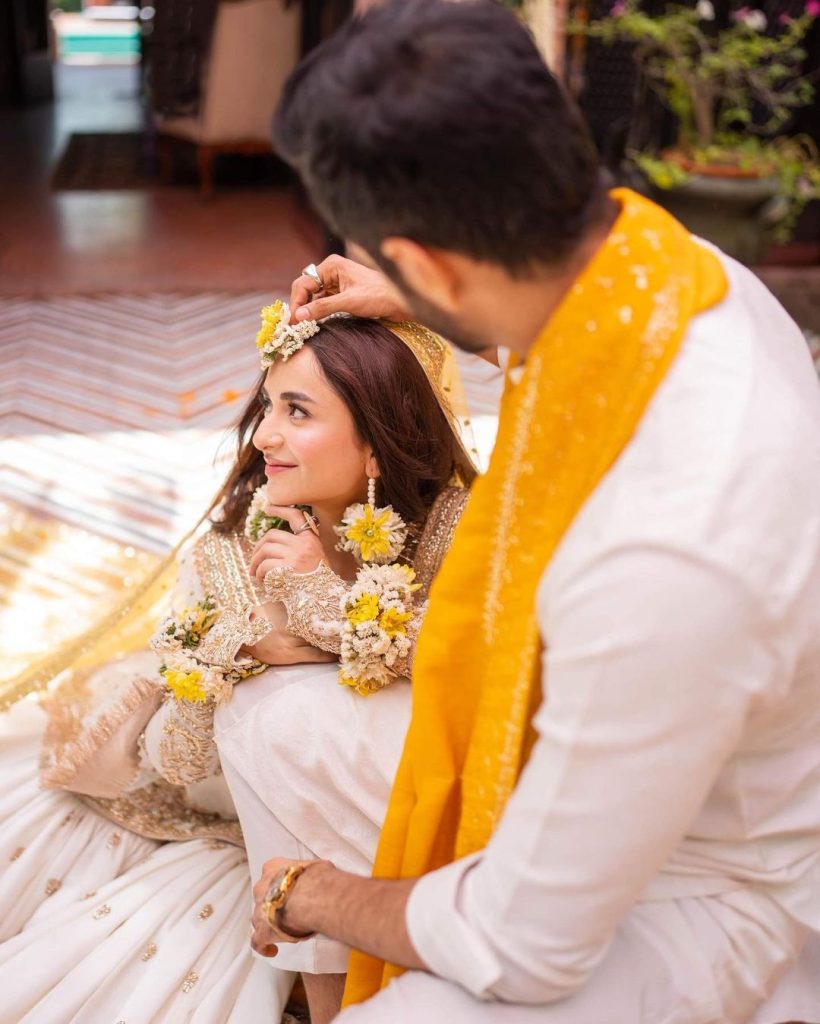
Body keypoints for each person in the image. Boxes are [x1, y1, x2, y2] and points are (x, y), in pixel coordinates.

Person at [248, 3, 820, 1023]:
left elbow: (525, 947)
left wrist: (314, 894)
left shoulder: (666, 546)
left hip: (719, 890)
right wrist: (420, 298)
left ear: (432, 256)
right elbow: (568, 347)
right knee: (271, 719)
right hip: (634, 753)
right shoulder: (678, 276)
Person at [0, 313, 476, 1024]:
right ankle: (328, 1001)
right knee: (272, 708)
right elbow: (180, 760)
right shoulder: (237, 550)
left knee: (299, 702)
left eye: (297, 411)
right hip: (250, 785)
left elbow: (482, 668)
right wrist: (221, 662)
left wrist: (326, 609)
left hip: (423, 781)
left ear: (378, 446)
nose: (262, 436)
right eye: (268, 405)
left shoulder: (459, 530)